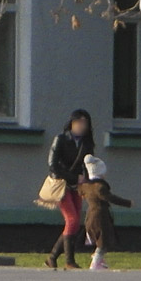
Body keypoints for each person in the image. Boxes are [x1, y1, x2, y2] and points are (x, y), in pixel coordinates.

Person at [45, 109, 95, 269]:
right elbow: (53, 166)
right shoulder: (60, 139)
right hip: (61, 185)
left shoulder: (86, 142)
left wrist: (87, 181)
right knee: (72, 220)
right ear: (71, 123)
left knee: (75, 221)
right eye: (78, 122)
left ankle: (52, 258)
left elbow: (89, 164)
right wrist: (73, 177)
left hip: (77, 186)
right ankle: (69, 260)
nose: (82, 126)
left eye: (85, 123)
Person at [78, 155, 133, 270]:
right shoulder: (99, 187)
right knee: (103, 240)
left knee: (100, 239)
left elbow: (80, 192)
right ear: (100, 172)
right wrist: (128, 203)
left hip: (90, 216)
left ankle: (100, 261)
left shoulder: (86, 186)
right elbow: (110, 198)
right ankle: (96, 262)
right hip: (100, 216)